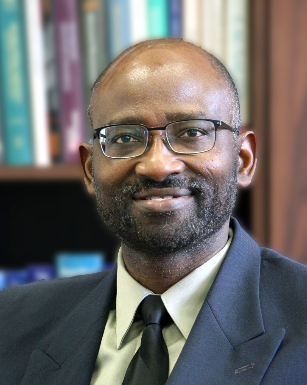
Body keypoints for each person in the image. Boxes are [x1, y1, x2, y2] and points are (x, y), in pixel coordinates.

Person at [1, 39, 307, 385]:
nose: (157, 165)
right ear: (89, 169)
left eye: (192, 132)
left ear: (243, 160)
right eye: (125, 138)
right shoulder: (9, 324)